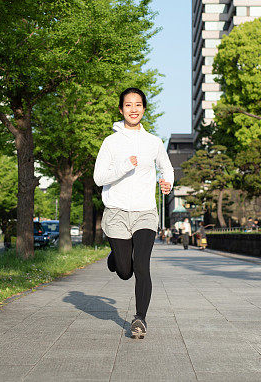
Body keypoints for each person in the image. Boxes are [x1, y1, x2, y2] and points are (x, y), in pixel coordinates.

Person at [94, 87, 173, 339]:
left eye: (138, 104)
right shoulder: (111, 142)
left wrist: (167, 182)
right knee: (125, 271)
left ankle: (140, 319)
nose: (134, 109)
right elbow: (98, 178)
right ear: (121, 109)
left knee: (141, 265)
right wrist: (125, 165)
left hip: (145, 213)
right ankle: (116, 258)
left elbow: (166, 168)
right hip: (116, 212)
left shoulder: (154, 142)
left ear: (144, 109)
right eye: (128, 105)